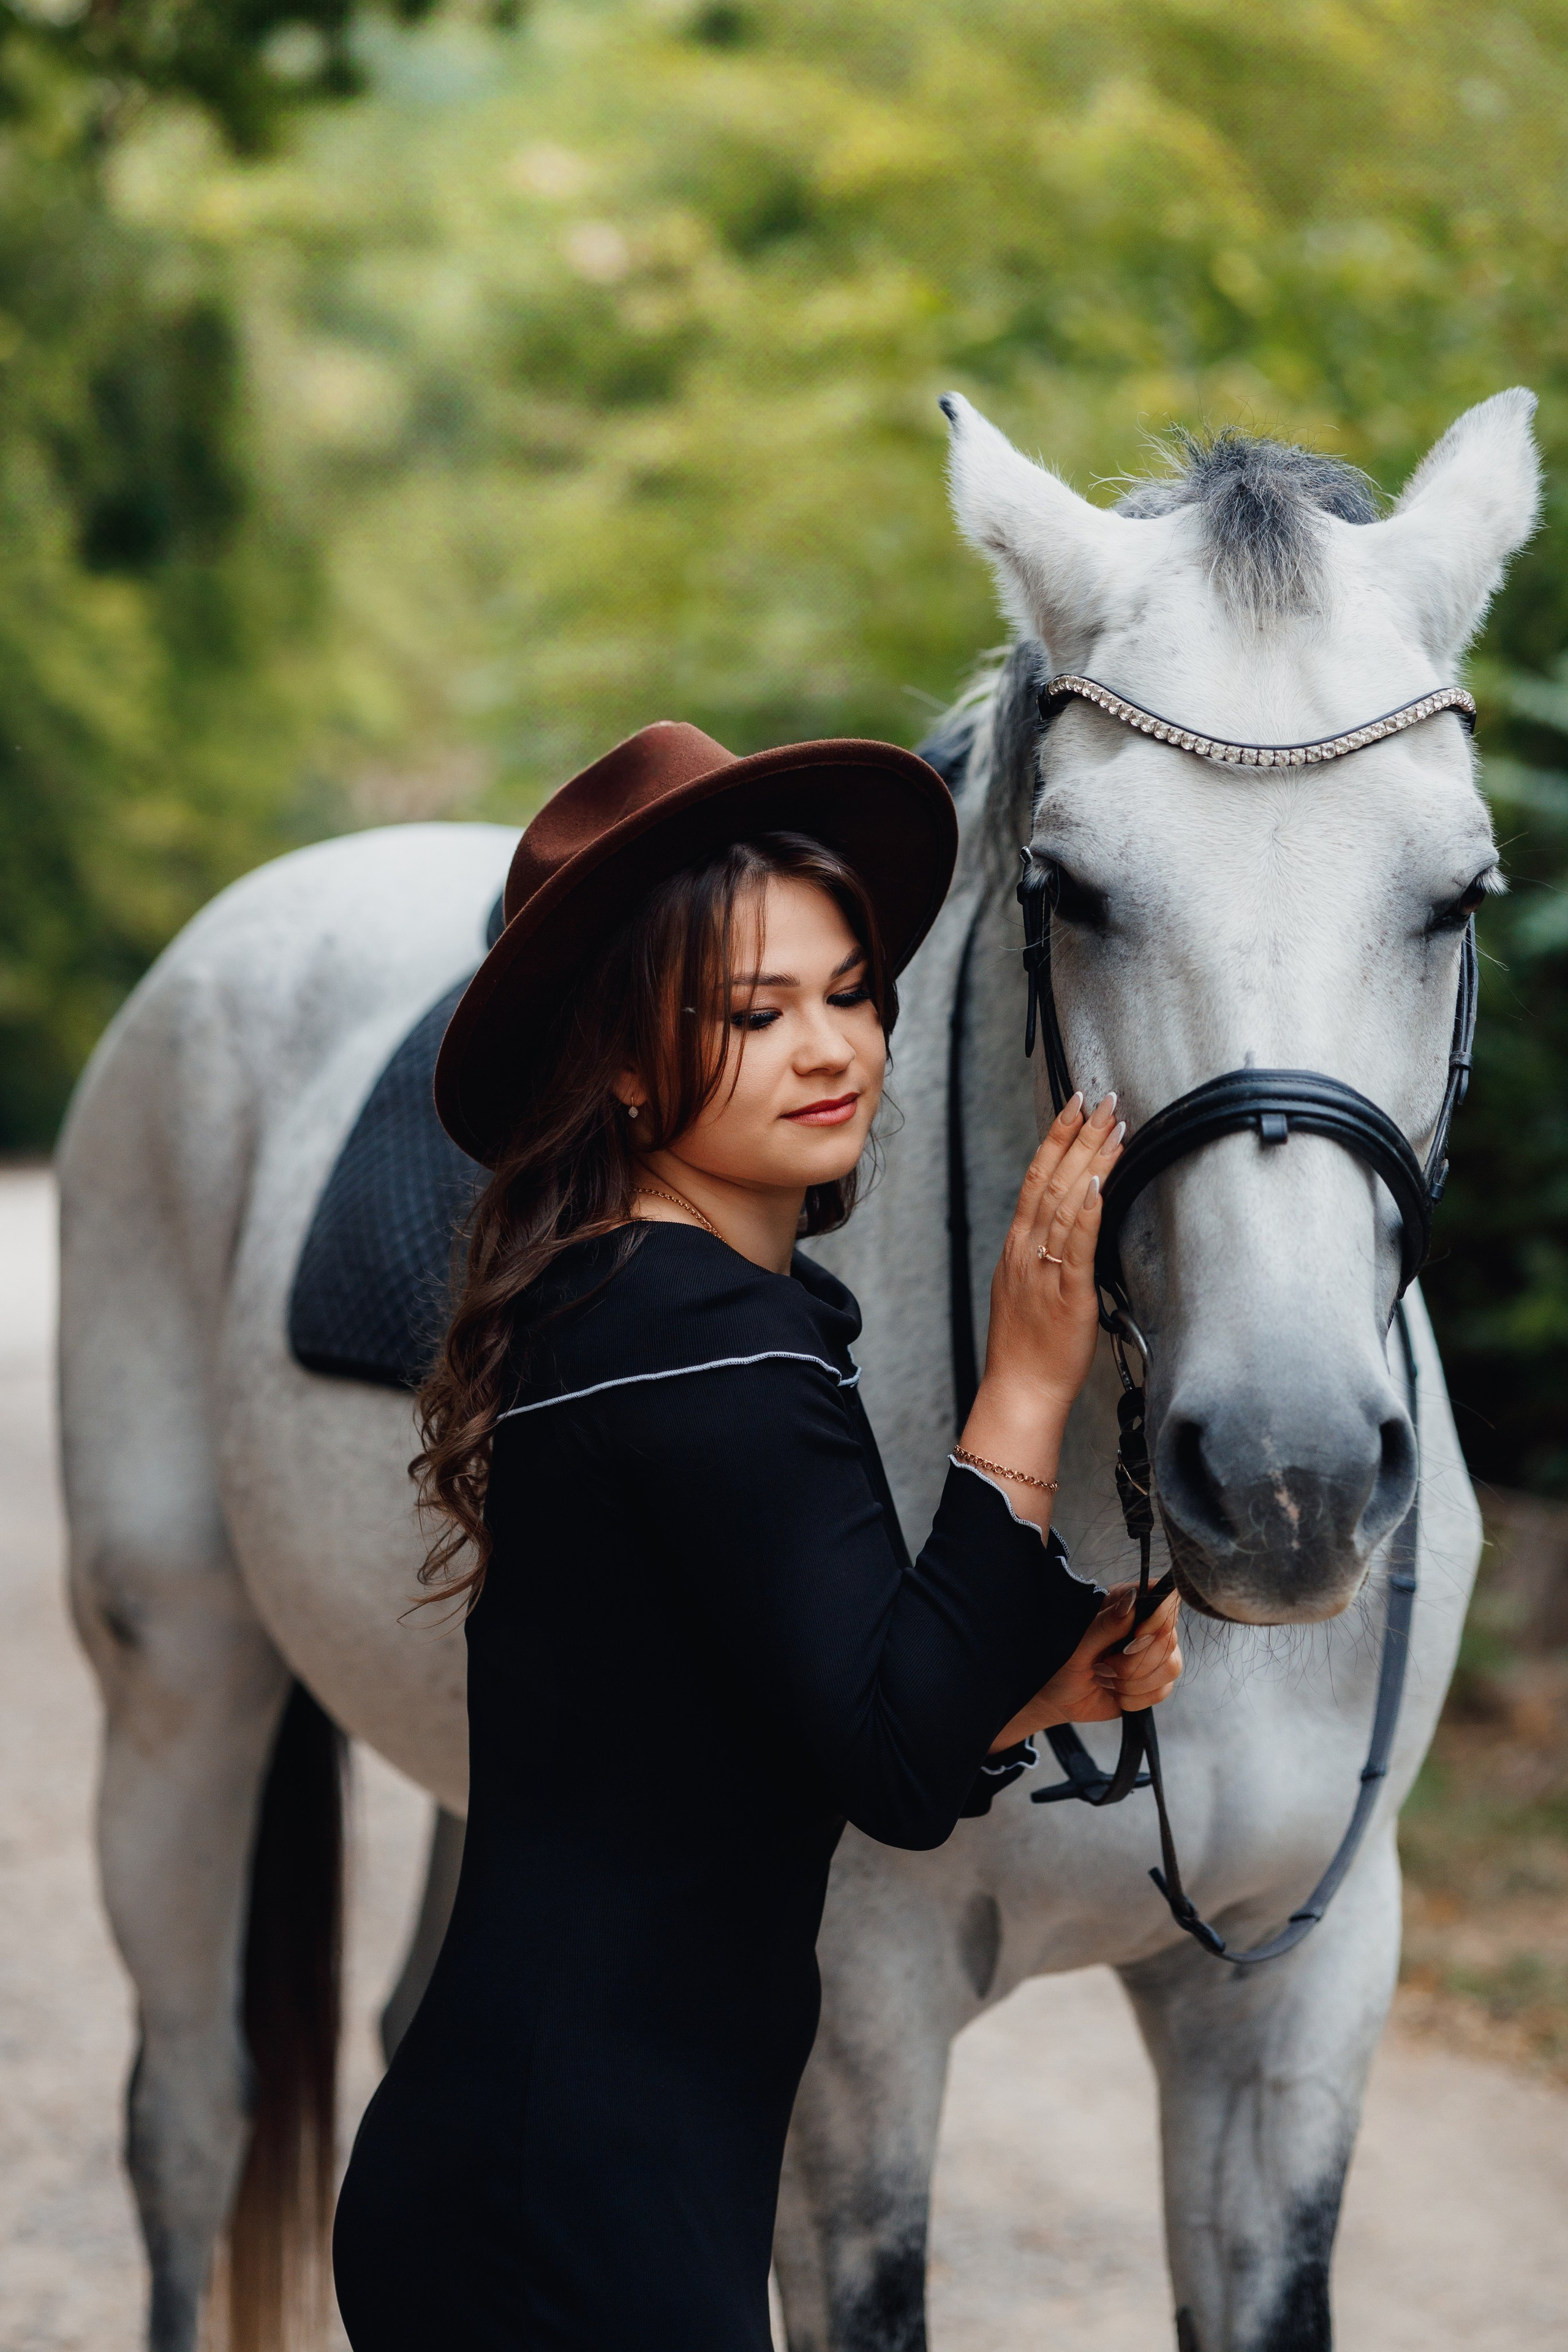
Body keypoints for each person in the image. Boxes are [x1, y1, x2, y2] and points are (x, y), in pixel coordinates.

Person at [331, 720, 1182, 2351]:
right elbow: (887, 1768)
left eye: (851, 992)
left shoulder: (650, 1303)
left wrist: (1033, 1696)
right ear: (627, 1065)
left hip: (568, 2167)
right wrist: (1026, 1376)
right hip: (566, 2206)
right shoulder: (706, 1338)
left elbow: (780, 1739)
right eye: (755, 1013)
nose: (834, 1048)